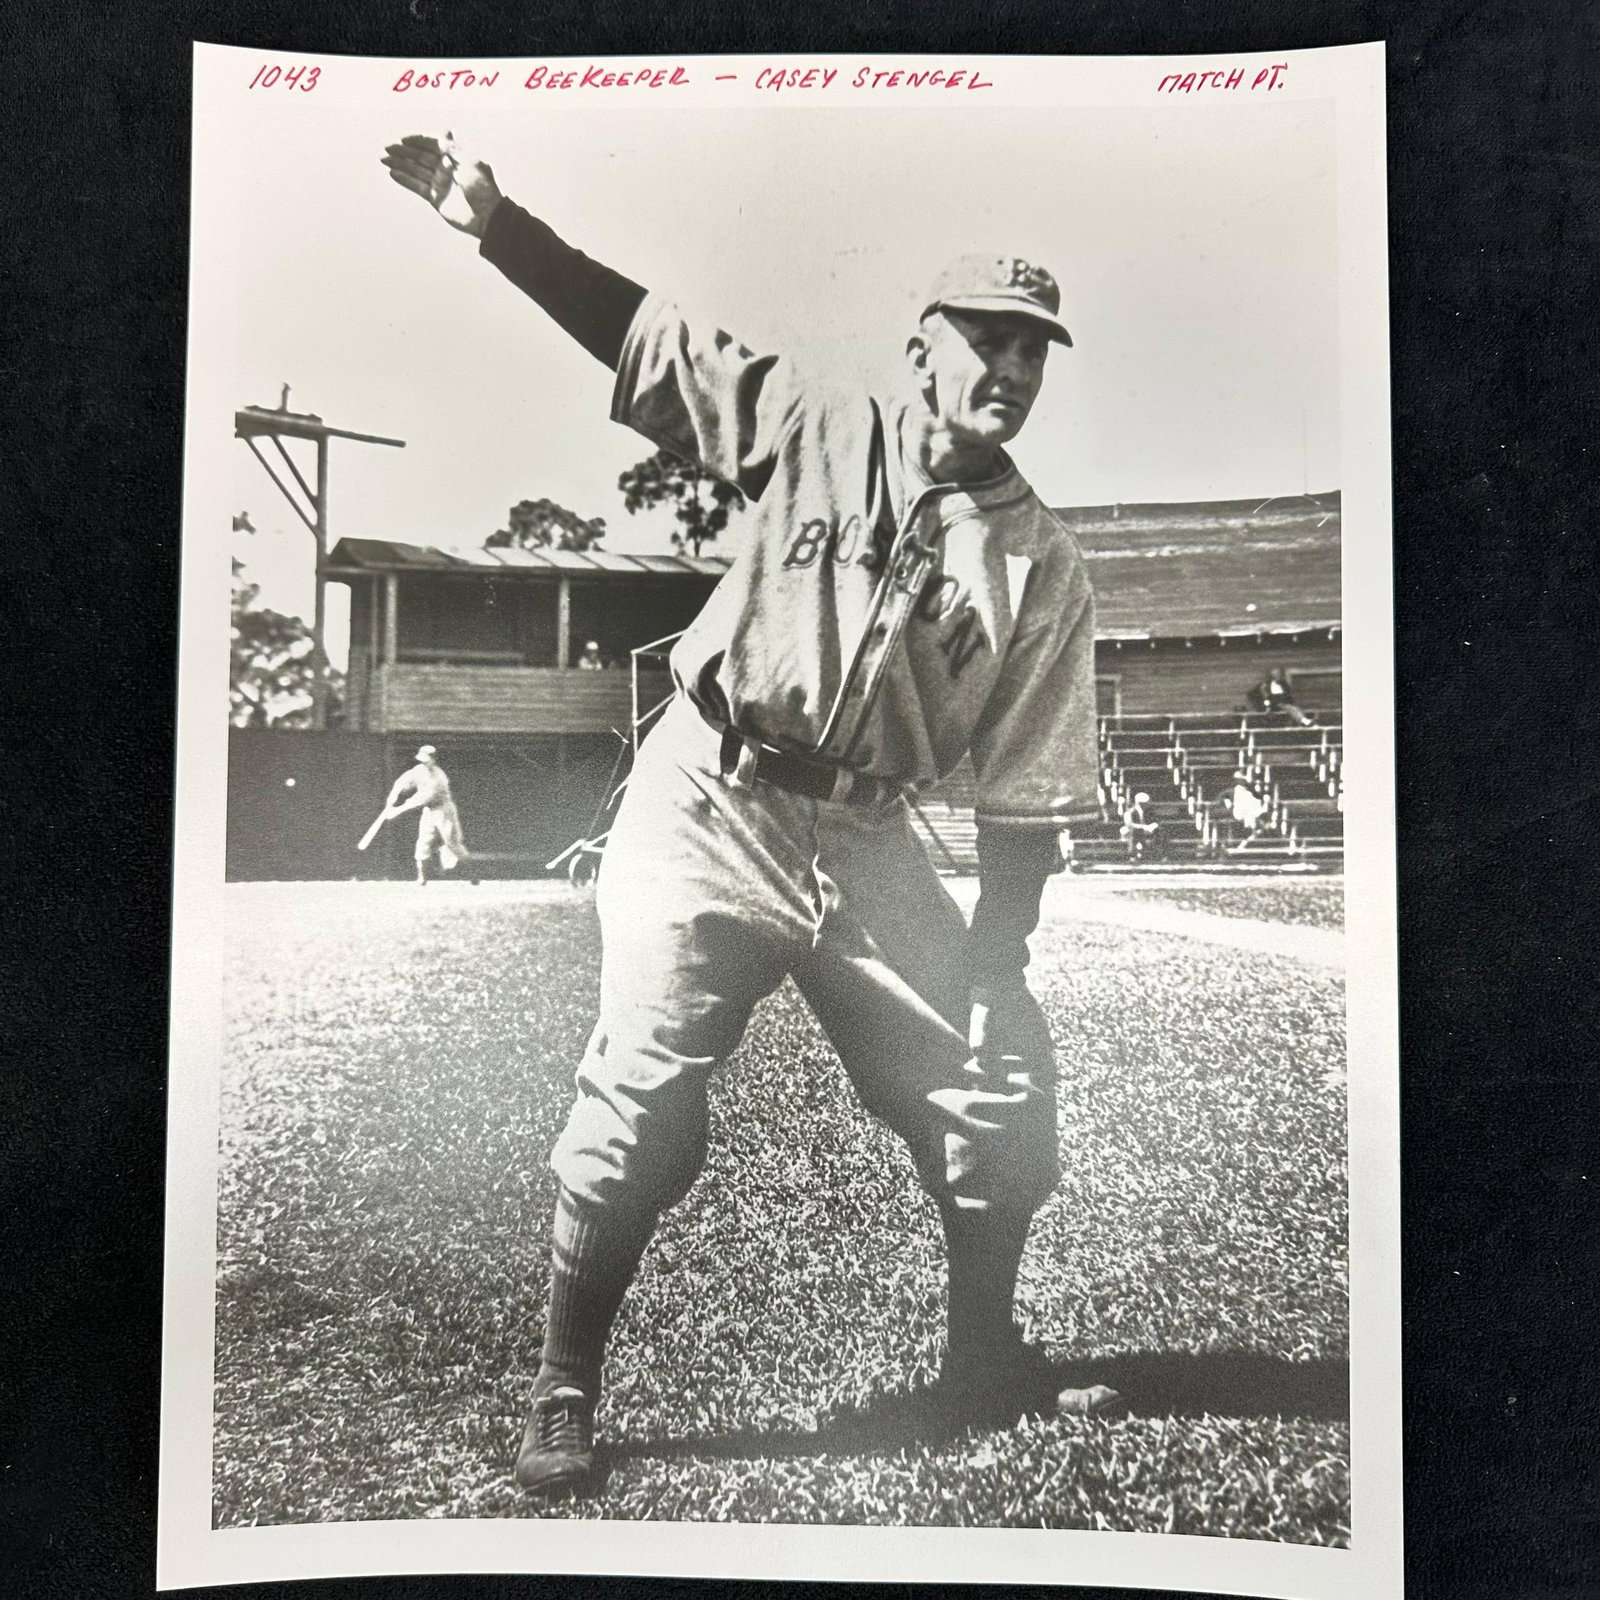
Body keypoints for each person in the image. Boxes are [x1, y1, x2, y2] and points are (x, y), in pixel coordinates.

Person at [382, 133, 1120, 1497]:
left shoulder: (1043, 565)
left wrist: (991, 968)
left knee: (997, 1086)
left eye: (1034, 349)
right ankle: (562, 1387)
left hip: (867, 835)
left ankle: (983, 1358)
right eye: (989, 339)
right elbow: (649, 343)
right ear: (926, 349)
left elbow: (1025, 793)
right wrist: (501, 226)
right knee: (639, 1109)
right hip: (710, 796)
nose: (1012, 369)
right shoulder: (824, 421)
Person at [382, 744, 468, 885]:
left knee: (452, 843)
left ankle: (473, 872)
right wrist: (391, 799)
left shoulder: (439, 776)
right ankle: (422, 878)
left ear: (434, 759)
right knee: (423, 843)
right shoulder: (418, 770)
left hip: (443, 809)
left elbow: (423, 798)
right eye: (422, 759)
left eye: (427, 760)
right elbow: (400, 782)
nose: (423, 762)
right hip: (429, 811)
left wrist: (398, 810)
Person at [1119, 791, 1159, 862]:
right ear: (1139, 803)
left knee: (1160, 831)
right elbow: (1129, 824)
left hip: (1147, 830)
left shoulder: (1148, 811)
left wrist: (1152, 826)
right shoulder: (1130, 812)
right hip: (1135, 831)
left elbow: (1155, 821)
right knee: (1134, 832)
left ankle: (1158, 854)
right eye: (1144, 804)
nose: (1146, 805)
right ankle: (1132, 855)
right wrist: (1143, 827)